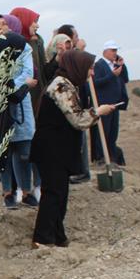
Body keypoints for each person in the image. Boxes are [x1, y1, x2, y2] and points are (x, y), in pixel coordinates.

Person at [32, 50, 118, 247]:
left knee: (60, 194)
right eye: (89, 68)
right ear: (77, 66)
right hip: (51, 150)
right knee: (54, 194)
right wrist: (98, 112)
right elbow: (78, 119)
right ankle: (42, 239)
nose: (91, 73)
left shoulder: (69, 84)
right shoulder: (61, 86)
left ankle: (57, 235)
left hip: (58, 149)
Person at [0, 32, 38, 209]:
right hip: (1, 108)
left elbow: (27, 74)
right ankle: (7, 192)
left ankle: (26, 191)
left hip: (21, 106)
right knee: (5, 151)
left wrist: (14, 86)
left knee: (24, 151)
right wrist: (17, 86)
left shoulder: (24, 49)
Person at [91, 40, 129, 166]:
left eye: (116, 51)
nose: (115, 53)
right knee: (103, 131)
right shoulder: (99, 65)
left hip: (115, 104)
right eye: (113, 50)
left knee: (113, 132)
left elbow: (125, 79)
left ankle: (111, 157)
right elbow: (95, 83)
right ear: (105, 51)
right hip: (104, 104)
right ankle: (101, 157)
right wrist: (112, 75)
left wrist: (122, 67)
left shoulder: (115, 65)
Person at [11, 7, 48, 117]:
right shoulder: (12, 47)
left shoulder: (35, 43)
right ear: (23, 21)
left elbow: (43, 70)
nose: (37, 25)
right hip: (21, 102)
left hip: (36, 98)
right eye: (34, 21)